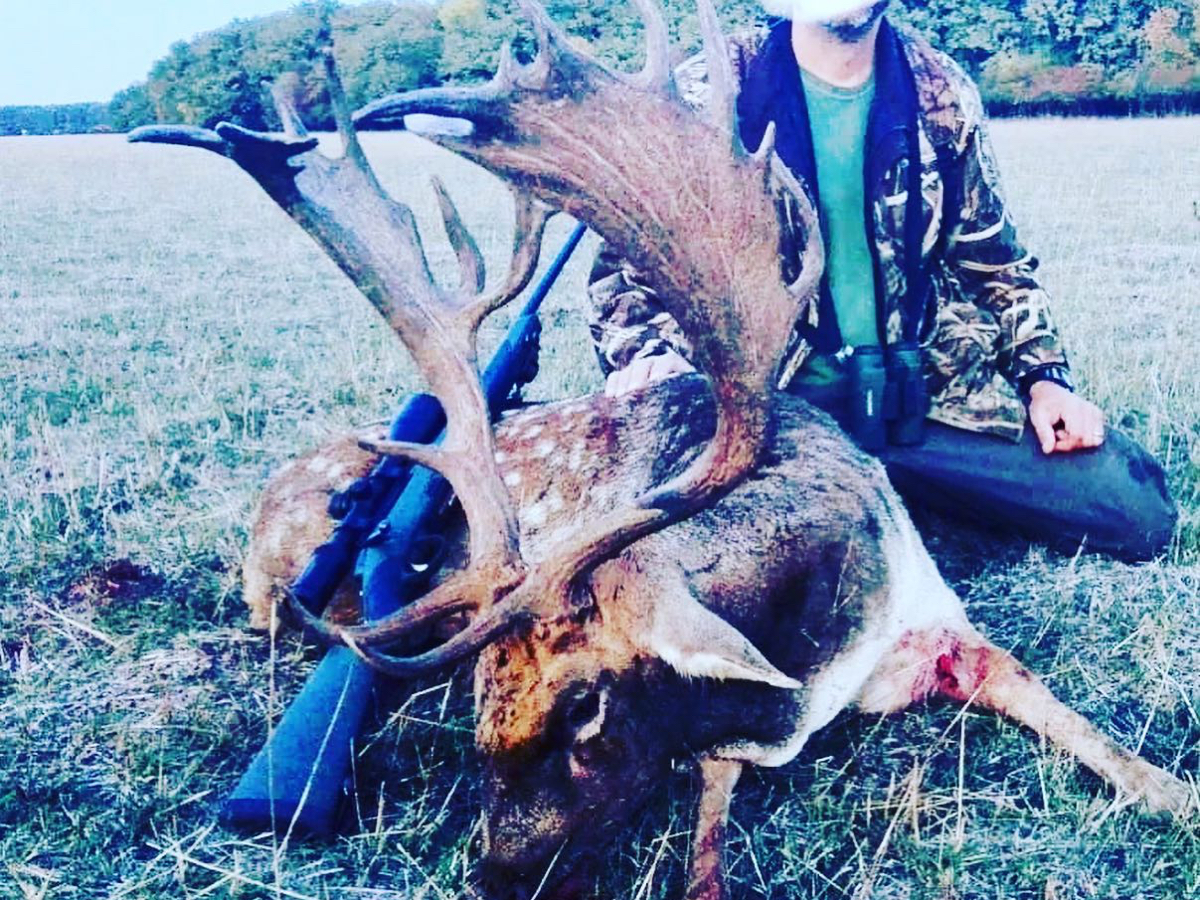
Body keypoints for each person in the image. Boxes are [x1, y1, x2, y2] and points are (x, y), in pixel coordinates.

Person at [587, 0, 1176, 561]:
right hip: (766, 411)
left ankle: (875, 497)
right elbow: (623, 275)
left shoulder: (942, 93)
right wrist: (649, 357)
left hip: (920, 400)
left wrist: (1045, 379)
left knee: (1134, 511)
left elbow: (995, 264)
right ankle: (866, 506)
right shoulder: (705, 93)